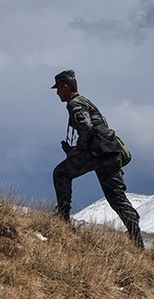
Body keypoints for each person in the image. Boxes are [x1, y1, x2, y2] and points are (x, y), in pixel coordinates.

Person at [51, 70, 143, 248]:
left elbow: (86, 126)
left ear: (66, 86)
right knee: (117, 198)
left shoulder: (74, 103)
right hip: (110, 152)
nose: (57, 93)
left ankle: (62, 219)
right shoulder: (86, 101)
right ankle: (136, 239)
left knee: (60, 173)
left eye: (58, 89)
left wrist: (78, 149)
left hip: (96, 152)